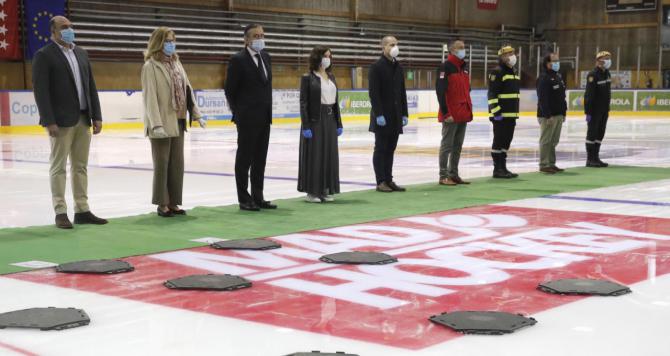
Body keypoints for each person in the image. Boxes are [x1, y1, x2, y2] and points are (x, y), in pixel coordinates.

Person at [32, 16, 107, 229]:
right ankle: (60, 211)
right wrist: (48, 120)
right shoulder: (44, 55)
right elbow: (41, 91)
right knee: (58, 167)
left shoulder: (81, 53)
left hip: (84, 118)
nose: (69, 30)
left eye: (71, 27)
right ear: (53, 32)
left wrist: (97, 115)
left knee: (80, 166)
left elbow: (90, 86)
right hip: (61, 122)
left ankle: (82, 209)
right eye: (64, 27)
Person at [141, 27, 206, 217]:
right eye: (167, 41)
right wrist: (156, 124)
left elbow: (187, 89)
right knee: (162, 163)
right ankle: (162, 203)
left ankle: (174, 202)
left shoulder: (177, 63)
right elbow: (150, 98)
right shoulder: (150, 66)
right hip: (161, 122)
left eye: (172, 40)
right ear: (158, 43)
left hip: (178, 120)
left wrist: (196, 113)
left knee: (177, 163)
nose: (171, 44)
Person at [224, 24, 277, 211]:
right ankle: (244, 199)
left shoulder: (266, 57)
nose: (260, 38)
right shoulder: (238, 60)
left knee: (260, 159)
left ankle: (258, 196)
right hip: (247, 119)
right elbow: (230, 90)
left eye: (262, 35)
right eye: (256, 35)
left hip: (264, 118)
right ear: (246, 39)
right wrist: (239, 113)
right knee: (244, 159)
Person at [298, 46, 343, 203]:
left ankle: (324, 189)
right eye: (325, 55)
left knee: (329, 154)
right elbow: (303, 103)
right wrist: (306, 126)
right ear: (317, 57)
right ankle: (312, 192)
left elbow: (336, 102)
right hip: (315, 120)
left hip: (330, 120)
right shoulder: (308, 78)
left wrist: (339, 123)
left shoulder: (331, 77)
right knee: (315, 156)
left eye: (330, 56)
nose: (328, 58)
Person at [368, 35, 408, 193]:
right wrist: (378, 114)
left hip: (396, 116)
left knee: (391, 148)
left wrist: (405, 113)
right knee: (381, 148)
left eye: (396, 44)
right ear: (383, 47)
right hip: (382, 117)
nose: (394, 47)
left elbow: (402, 92)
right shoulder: (376, 67)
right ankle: (380, 181)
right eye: (391, 44)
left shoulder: (398, 67)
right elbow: (374, 93)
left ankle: (389, 179)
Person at [435, 39, 473, 186]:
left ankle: (454, 173)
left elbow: (467, 90)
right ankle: (443, 175)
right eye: (460, 48)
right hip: (450, 115)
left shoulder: (464, 68)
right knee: (447, 146)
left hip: (463, 113)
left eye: (464, 47)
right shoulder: (445, 67)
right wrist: (446, 113)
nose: (463, 50)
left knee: (458, 145)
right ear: (451, 50)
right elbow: (440, 92)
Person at [487, 45, 520, 179]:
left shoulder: (513, 72)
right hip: (500, 115)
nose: (512, 56)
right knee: (499, 141)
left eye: (513, 53)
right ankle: (497, 169)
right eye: (508, 53)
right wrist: (496, 112)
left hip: (511, 115)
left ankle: (503, 167)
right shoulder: (497, 72)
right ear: (502, 57)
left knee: (506, 141)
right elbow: (492, 93)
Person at [536, 52, 567, 174]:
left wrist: (564, 112)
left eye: (557, 61)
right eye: (554, 61)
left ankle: (551, 163)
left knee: (554, 141)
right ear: (548, 64)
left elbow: (562, 96)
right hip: (548, 116)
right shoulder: (543, 78)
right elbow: (542, 98)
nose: (557, 63)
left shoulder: (558, 77)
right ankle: (544, 164)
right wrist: (547, 115)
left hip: (558, 114)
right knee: (546, 140)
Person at [584, 51, 612, 168]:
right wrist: (588, 112)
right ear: (599, 60)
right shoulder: (593, 75)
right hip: (594, 111)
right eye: (606, 58)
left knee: (600, 133)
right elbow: (589, 95)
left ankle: (596, 157)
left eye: (609, 58)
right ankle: (590, 159)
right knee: (592, 134)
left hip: (604, 110)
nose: (609, 61)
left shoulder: (607, 73)